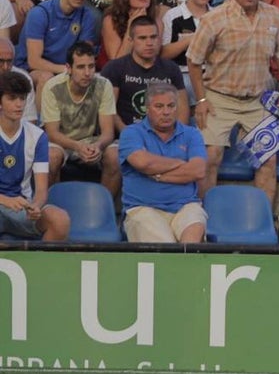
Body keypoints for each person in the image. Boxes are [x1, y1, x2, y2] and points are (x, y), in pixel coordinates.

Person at [187, 0, 279, 203]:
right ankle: (205, 218)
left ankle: (264, 224)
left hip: (257, 99)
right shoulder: (214, 19)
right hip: (219, 97)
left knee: (267, 160)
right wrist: (202, 98)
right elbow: (194, 62)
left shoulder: (275, 16)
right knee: (211, 155)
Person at [118, 82, 206, 244]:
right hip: (142, 208)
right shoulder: (131, 133)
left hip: (186, 205)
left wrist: (158, 175)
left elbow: (198, 171)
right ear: (147, 108)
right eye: (159, 106)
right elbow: (142, 162)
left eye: (171, 106)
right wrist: (181, 163)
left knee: (192, 240)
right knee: (165, 247)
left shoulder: (191, 134)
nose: (166, 112)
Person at [0, 70, 68, 242]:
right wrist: (5, 200)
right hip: (3, 202)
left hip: (21, 207)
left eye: (22, 98)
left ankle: (44, 267)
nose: (19, 104)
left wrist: (36, 206)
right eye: (12, 98)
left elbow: (41, 190)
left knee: (60, 220)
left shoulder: (37, 136)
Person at [41, 41, 117, 191]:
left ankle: (103, 208)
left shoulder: (104, 85)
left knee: (115, 156)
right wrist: (77, 146)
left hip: (92, 141)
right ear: (68, 68)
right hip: (62, 142)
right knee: (51, 157)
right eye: (81, 67)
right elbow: (52, 133)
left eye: (91, 66)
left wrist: (98, 145)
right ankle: (51, 209)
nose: (87, 73)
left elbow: (108, 132)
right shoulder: (52, 87)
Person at [15, 0, 96, 96]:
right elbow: (34, 61)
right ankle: (41, 117)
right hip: (30, 69)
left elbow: (85, 54)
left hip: (67, 68)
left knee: (93, 78)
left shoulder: (86, 15)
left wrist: (77, 70)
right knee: (47, 78)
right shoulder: (39, 14)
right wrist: (68, 70)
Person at [102, 15, 188, 133]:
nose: (149, 43)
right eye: (142, 38)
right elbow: (110, 110)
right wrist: (129, 135)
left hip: (165, 135)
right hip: (127, 135)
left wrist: (174, 136)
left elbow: (182, 110)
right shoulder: (114, 68)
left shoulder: (171, 69)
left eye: (153, 37)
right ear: (131, 41)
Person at [100, 0, 155, 64]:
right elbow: (116, 62)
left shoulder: (156, 20)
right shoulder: (110, 20)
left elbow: (152, 57)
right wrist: (131, 26)